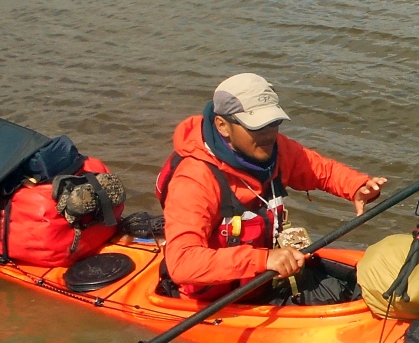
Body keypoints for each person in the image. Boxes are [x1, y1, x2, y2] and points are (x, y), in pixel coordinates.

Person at [157, 73, 386, 304]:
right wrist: (263, 260)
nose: (269, 134)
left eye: (273, 123)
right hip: (215, 302)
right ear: (222, 126)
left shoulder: (275, 149)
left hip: (261, 283)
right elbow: (182, 262)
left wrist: (357, 186)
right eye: (256, 126)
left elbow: (319, 169)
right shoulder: (194, 179)